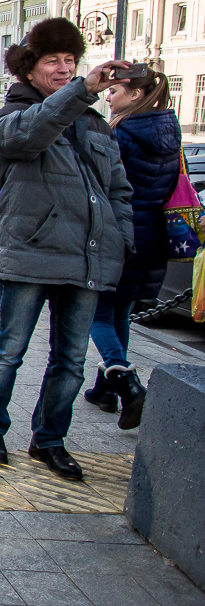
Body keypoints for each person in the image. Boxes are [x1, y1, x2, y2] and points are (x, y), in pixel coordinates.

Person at [0, 18, 134, 480]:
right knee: (10, 349)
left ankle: (49, 440)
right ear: (29, 69)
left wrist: (119, 239)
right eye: (53, 62)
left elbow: (119, 190)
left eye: (70, 61)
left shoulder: (95, 124)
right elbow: (31, 134)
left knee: (71, 360)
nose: (64, 69)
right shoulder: (13, 116)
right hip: (32, 252)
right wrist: (82, 89)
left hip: (86, 257)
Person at [81, 68, 181, 430]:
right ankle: (104, 391)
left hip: (119, 234)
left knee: (97, 316)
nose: (109, 95)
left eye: (116, 90)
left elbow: (106, 183)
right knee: (118, 312)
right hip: (152, 236)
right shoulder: (171, 129)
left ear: (136, 95)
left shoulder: (123, 131)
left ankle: (127, 385)